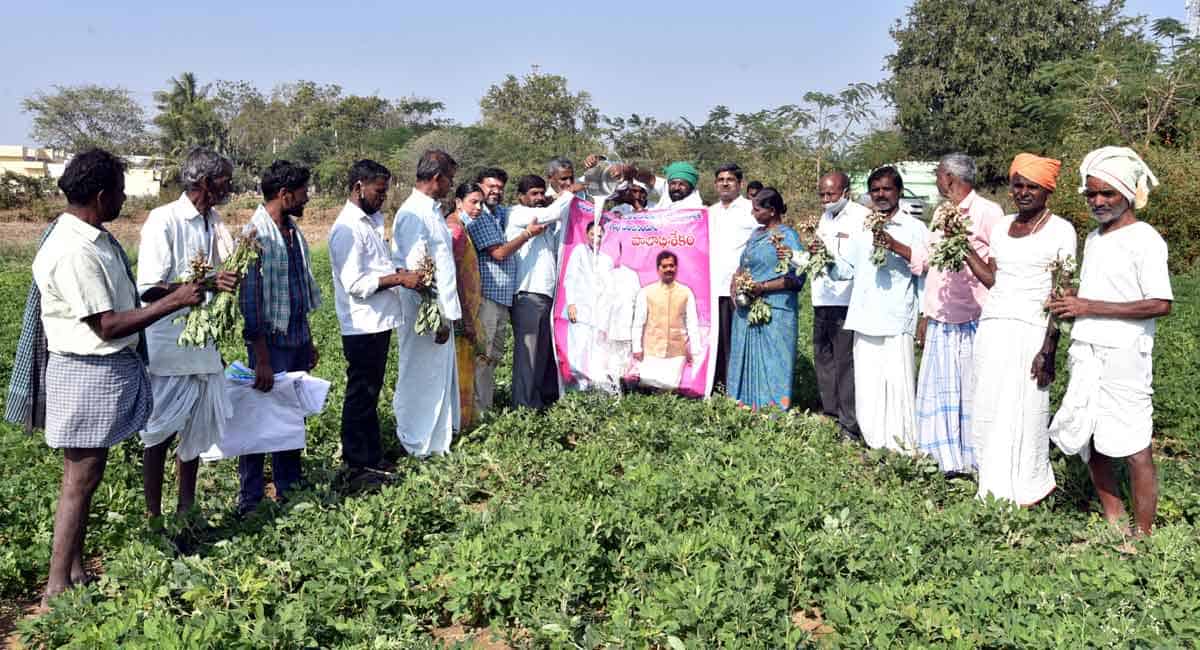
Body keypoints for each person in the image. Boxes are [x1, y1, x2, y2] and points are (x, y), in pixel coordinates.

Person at [32, 149, 204, 606]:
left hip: (98, 371)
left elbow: (124, 297)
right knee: (80, 478)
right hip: (87, 371)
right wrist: (173, 303)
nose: (125, 199)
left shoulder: (93, 237)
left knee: (86, 475)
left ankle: (73, 572)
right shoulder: (74, 251)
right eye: (122, 192)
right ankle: (55, 590)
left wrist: (170, 290)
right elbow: (106, 325)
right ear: (103, 194)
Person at [1048, 147, 1172, 535]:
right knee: (1090, 437)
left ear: (1128, 194)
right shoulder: (1095, 238)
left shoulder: (1145, 238)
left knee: (1135, 446)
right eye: (1092, 194)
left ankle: (1145, 535)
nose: (1098, 201)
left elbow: (1159, 303)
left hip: (1125, 355)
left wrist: (1087, 306)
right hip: (1087, 350)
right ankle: (1115, 522)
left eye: (1108, 194)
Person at [136, 147, 240, 517]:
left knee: (194, 435)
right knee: (159, 433)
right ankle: (153, 516)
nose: (231, 185)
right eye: (226, 179)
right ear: (207, 182)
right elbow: (149, 287)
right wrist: (210, 281)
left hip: (203, 342)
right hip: (169, 343)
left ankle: (186, 513)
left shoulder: (214, 221)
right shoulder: (164, 220)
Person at [969, 153, 1076, 506]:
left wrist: (1049, 349)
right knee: (988, 403)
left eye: (1033, 187)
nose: (1024, 193)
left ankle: (1027, 488)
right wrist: (962, 247)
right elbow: (993, 279)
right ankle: (992, 485)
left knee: (1025, 407)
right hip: (994, 326)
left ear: (1047, 191)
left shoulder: (1061, 230)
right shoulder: (1001, 228)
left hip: (1032, 330)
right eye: (1018, 185)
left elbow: (1062, 295)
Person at [908, 153, 1004, 474]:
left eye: (938, 175)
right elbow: (930, 264)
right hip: (940, 317)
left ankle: (973, 459)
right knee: (941, 390)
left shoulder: (989, 213)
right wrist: (925, 313)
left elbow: (997, 270)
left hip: (973, 318)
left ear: (949, 177)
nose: (937, 181)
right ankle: (943, 459)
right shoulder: (940, 213)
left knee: (971, 390)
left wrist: (962, 241)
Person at [328, 159, 421, 488]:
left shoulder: (369, 222)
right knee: (361, 393)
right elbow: (356, 283)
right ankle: (356, 464)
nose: (383, 197)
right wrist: (399, 278)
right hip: (362, 324)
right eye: (379, 191)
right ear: (358, 188)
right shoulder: (347, 229)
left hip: (377, 321)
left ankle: (370, 456)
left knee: (370, 391)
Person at [238, 160, 322, 515]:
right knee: (259, 421)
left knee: (290, 416)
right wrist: (262, 358)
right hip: (270, 344)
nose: (307, 198)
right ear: (285, 195)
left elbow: (297, 289)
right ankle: (251, 498)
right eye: (303, 192)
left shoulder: (292, 230)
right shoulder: (254, 234)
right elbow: (251, 303)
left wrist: (309, 340)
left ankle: (289, 488)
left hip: (296, 338)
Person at [828, 166, 928, 452]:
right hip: (865, 315)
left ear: (898, 191)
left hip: (898, 316)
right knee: (868, 382)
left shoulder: (914, 228)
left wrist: (925, 316)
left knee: (898, 383)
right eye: (875, 190)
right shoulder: (862, 228)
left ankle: (903, 445)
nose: (881, 195)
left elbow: (925, 271)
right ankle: (874, 441)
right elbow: (847, 270)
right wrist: (824, 260)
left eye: (886, 189)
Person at [391, 149, 462, 456]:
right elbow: (417, 272)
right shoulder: (412, 213)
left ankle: (435, 442)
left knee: (435, 374)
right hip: (425, 312)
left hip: (439, 310)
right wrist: (437, 316)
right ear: (436, 178)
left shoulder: (431, 210)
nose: (451, 185)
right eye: (450, 179)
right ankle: (414, 441)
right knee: (419, 374)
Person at [505, 174, 580, 409]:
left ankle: (537, 403)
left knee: (542, 355)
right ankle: (522, 407)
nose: (539, 198)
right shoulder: (517, 213)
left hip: (547, 297)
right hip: (528, 294)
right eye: (533, 194)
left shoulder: (544, 223)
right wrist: (572, 191)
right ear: (521, 197)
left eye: (541, 193)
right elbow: (551, 212)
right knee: (527, 355)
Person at [727, 188, 804, 410]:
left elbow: (797, 278)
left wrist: (762, 288)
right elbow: (745, 264)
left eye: (756, 209)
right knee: (745, 355)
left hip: (775, 309)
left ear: (771, 211)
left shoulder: (787, 237)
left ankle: (772, 411)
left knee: (773, 361)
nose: (753, 214)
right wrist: (737, 279)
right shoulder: (755, 235)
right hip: (746, 308)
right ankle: (743, 406)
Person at [810, 171, 871, 442]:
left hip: (847, 299)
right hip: (822, 297)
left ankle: (849, 423)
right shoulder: (825, 218)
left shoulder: (861, 217)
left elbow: (861, 262)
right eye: (822, 194)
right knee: (823, 358)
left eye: (830, 194)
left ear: (845, 192)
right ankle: (831, 413)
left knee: (845, 362)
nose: (826, 200)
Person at [466, 167, 531, 414]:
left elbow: (525, 207)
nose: (496, 191)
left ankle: (486, 407)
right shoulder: (480, 217)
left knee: (493, 356)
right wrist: (526, 234)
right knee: (482, 357)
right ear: (478, 186)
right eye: (490, 186)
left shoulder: (498, 214)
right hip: (487, 297)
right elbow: (499, 253)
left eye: (500, 188)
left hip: (501, 298)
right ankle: (477, 412)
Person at [707, 163, 758, 390]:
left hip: (739, 287)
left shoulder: (751, 209)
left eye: (730, 179)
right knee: (716, 340)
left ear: (740, 183)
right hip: (711, 286)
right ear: (715, 184)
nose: (725, 183)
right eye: (721, 179)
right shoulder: (710, 212)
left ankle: (737, 387)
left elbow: (761, 241)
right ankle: (716, 385)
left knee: (736, 339)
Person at [632, 251, 703, 391]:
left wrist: (695, 351)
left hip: (676, 353)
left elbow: (692, 324)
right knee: (649, 390)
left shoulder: (686, 292)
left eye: (671, 265)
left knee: (669, 393)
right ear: (658, 269)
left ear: (676, 267)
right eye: (664, 266)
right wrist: (637, 348)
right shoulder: (646, 292)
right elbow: (638, 323)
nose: (668, 269)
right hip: (651, 351)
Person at [447, 182, 488, 427]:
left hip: (467, 311)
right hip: (461, 315)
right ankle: (457, 424)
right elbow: (452, 275)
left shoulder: (462, 228)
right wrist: (466, 318)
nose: (479, 208)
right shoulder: (455, 231)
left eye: (481, 203)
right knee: (458, 370)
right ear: (458, 202)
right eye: (474, 202)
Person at [561, 219, 615, 390]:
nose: (596, 239)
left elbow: (609, 288)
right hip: (580, 309)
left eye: (600, 235)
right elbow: (570, 278)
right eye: (593, 234)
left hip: (598, 313)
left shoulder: (606, 260)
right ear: (587, 234)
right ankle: (576, 389)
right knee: (578, 350)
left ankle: (595, 389)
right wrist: (571, 304)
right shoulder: (579, 252)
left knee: (596, 351)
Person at [597, 240, 643, 388]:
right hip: (606, 330)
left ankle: (625, 397)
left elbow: (637, 302)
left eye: (616, 251)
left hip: (626, 329)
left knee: (625, 367)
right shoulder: (599, 274)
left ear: (621, 253)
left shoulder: (631, 275)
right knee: (608, 366)